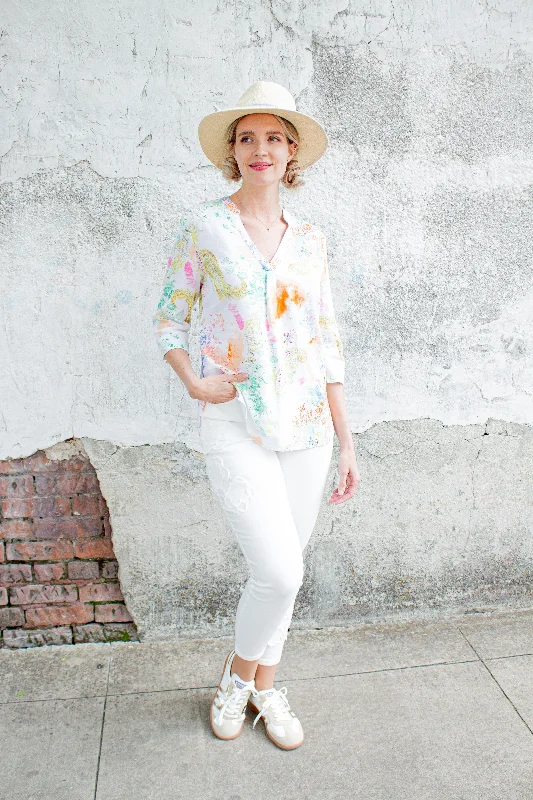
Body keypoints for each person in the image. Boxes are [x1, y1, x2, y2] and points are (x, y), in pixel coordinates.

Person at [152, 80, 360, 751]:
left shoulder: (311, 240)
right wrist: (195, 383)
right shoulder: (205, 228)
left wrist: (347, 441)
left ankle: (260, 684)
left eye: (274, 137)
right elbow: (167, 319)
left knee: (285, 573)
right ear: (233, 151)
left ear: (291, 151)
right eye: (247, 138)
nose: (259, 149)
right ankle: (239, 681)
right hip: (236, 421)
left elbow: (325, 341)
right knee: (280, 572)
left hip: (308, 429)